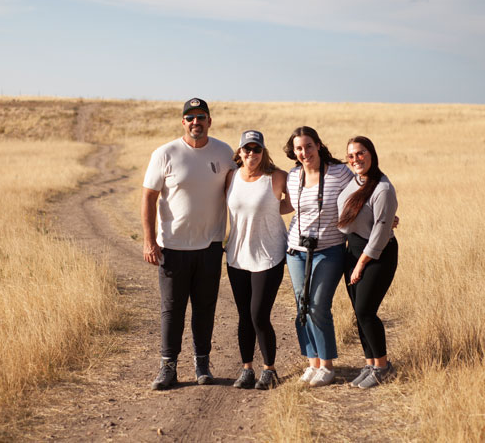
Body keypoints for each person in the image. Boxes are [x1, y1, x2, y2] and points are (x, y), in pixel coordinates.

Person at [141, 97, 235, 390]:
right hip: (172, 246)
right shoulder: (165, 153)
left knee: (205, 308)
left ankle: (202, 365)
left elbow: (239, 188)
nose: (196, 122)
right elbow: (148, 197)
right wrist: (149, 241)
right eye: (190, 117)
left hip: (209, 246)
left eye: (201, 117)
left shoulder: (223, 152)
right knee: (172, 309)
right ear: (183, 122)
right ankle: (167, 367)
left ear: (209, 121)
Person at [283, 126, 354, 387]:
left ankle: (327, 365)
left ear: (318, 145)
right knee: (302, 306)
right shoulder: (293, 176)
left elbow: (362, 194)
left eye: (308, 146)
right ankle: (312, 362)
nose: (304, 152)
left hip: (330, 249)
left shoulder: (339, 172)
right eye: (299, 148)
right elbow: (288, 205)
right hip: (296, 250)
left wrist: (385, 216)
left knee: (318, 305)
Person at [224, 130, 293, 390]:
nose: (251, 154)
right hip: (237, 256)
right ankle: (247, 370)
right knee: (244, 316)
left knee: (259, 315)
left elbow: (298, 200)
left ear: (264, 151)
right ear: (239, 152)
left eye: (256, 149)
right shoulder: (231, 177)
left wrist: (275, 208)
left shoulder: (276, 177)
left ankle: (269, 370)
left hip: (269, 255)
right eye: (247, 149)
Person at [337, 136, 399, 389]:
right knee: (358, 312)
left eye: (360, 154)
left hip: (377, 254)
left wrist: (361, 264)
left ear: (371, 154)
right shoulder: (352, 181)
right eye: (351, 156)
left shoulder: (383, 188)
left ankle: (384, 367)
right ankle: (370, 363)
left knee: (365, 310)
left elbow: (381, 233)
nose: (355, 160)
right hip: (352, 250)